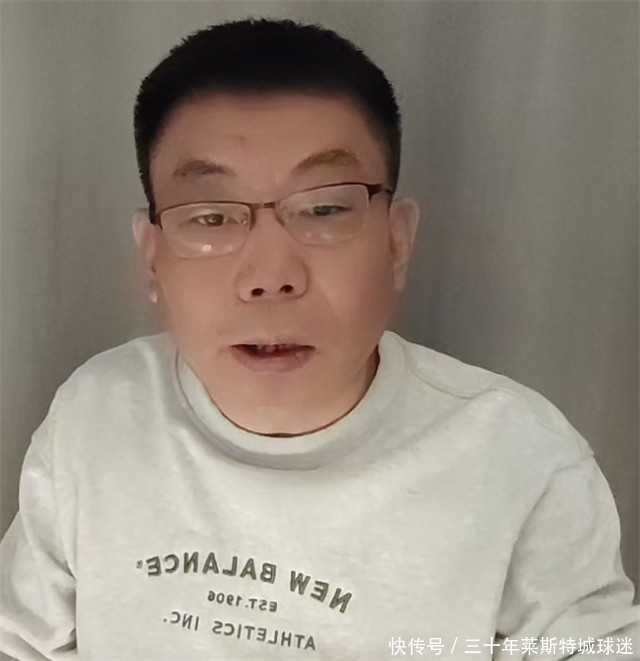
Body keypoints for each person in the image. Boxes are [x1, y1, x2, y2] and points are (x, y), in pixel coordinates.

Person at [0, 17, 638, 661]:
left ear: (398, 241)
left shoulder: (518, 459)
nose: (270, 276)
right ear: (151, 257)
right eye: (212, 216)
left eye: (324, 209)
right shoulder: (96, 415)